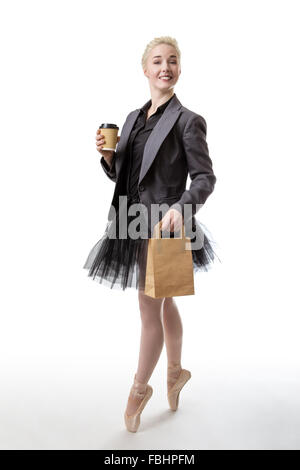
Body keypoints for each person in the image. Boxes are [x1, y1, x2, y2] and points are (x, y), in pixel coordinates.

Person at [83, 36, 219, 432]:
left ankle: (140, 388)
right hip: (130, 222)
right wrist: (109, 158)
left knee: (149, 307)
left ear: (179, 69)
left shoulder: (188, 120)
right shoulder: (131, 119)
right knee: (163, 304)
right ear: (145, 70)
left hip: (165, 226)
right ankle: (175, 372)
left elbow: (206, 178)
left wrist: (182, 209)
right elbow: (126, 172)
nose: (165, 67)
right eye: (158, 61)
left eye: (172, 61)